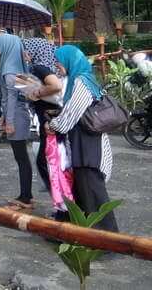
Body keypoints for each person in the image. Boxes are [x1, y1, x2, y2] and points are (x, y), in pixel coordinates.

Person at [48, 46, 119, 232]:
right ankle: (83, 234)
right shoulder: (80, 80)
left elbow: (72, 113)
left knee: (93, 194)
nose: (57, 64)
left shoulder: (80, 82)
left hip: (88, 147)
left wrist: (54, 125)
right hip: (84, 145)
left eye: (59, 60)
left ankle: (108, 240)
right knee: (83, 193)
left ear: (69, 61)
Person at [0, 29, 34, 210]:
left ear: (5, 45)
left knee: (21, 157)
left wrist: (10, 122)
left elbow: (12, 99)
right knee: (21, 157)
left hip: (18, 118)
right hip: (18, 115)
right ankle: (25, 195)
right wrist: (4, 117)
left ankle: (26, 198)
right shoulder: (17, 68)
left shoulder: (10, 73)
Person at [21, 37, 66, 214]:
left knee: (47, 163)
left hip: (51, 122)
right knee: (51, 163)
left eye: (25, 50)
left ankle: (62, 206)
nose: (24, 54)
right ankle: (62, 205)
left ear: (33, 50)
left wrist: (36, 93)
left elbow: (55, 86)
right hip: (53, 119)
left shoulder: (40, 67)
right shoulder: (50, 65)